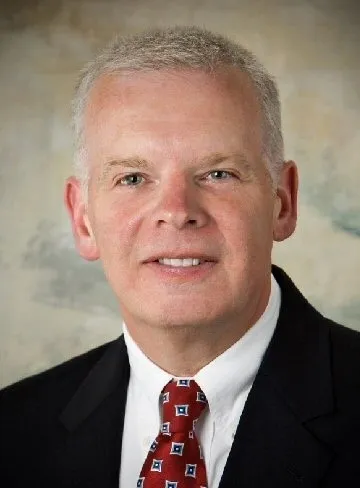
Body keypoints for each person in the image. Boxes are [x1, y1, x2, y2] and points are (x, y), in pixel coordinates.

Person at [1, 25, 359, 488]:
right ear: (83, 218)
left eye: (218, 173)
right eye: (132, 178)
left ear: (282, 203)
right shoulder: (12, 432)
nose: (177, 212)